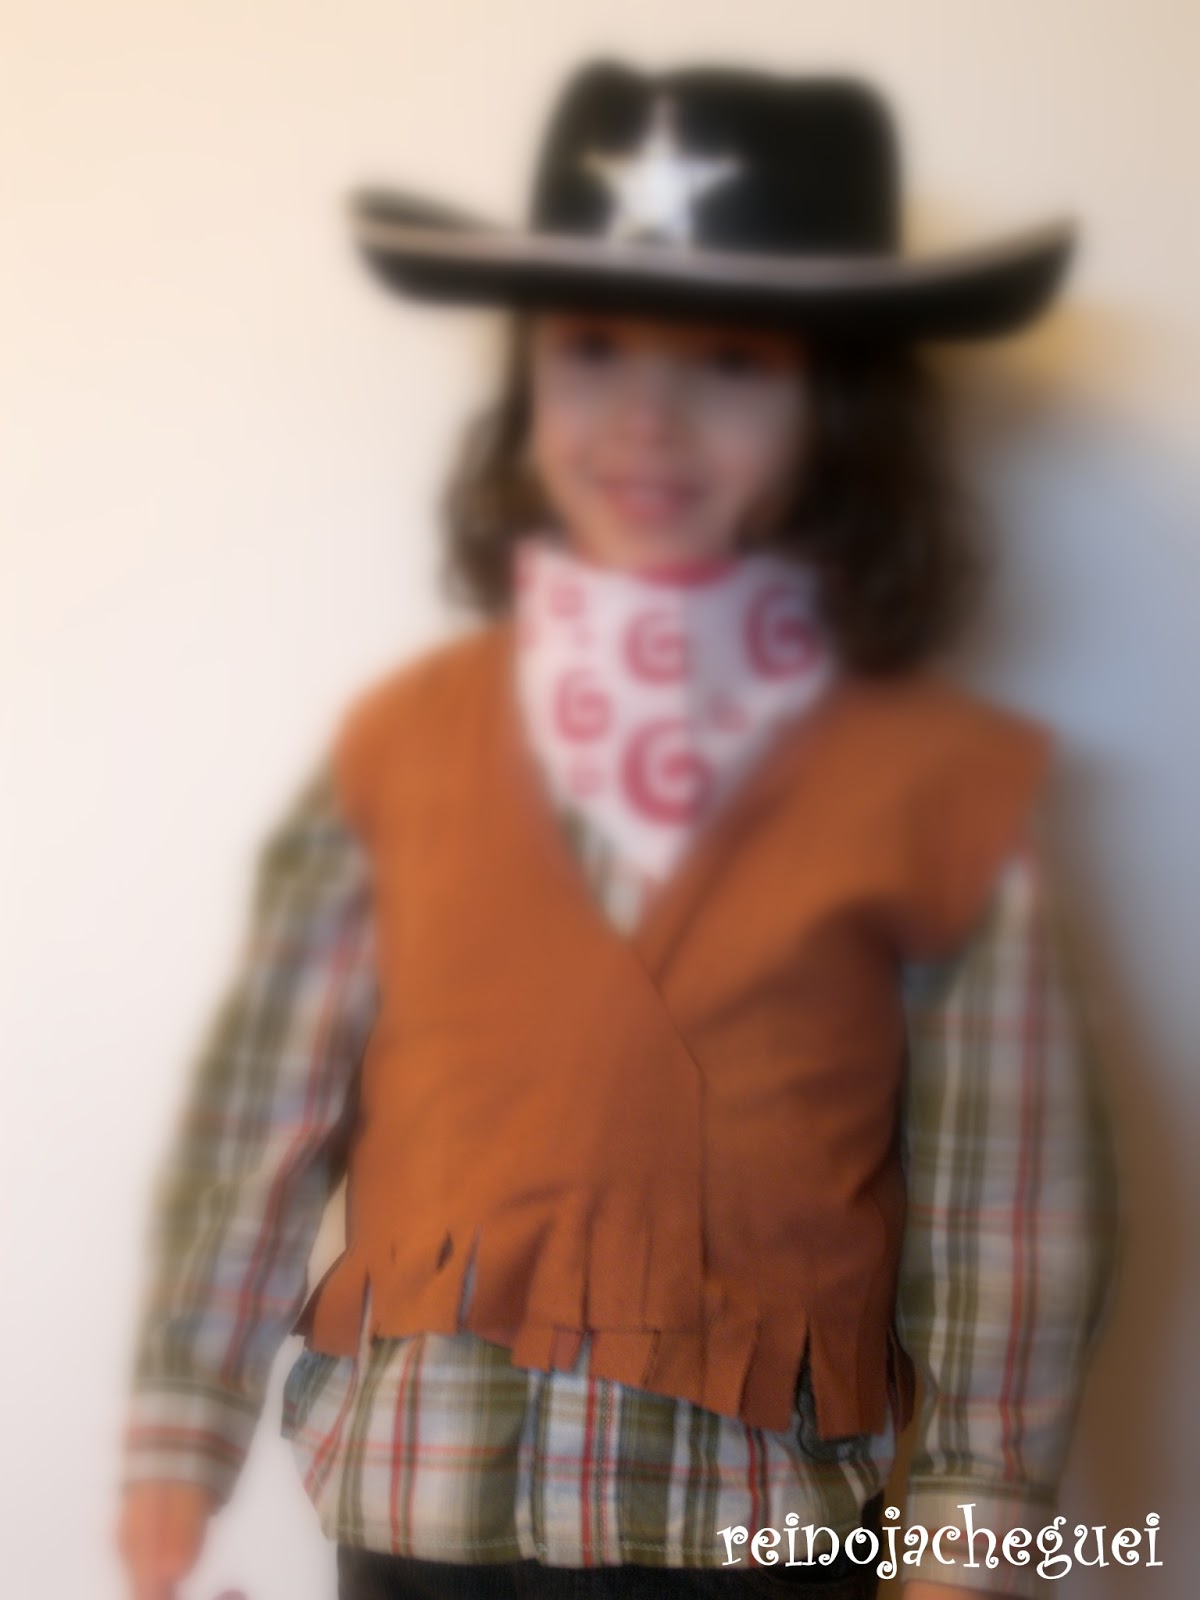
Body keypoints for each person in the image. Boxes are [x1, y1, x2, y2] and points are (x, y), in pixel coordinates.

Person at [115, 60, 1119, 1600]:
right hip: (420, 1510)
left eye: (728, 361)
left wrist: (971, 1516)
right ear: (529, 383)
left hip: (756, 1528)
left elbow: (1007, 1193)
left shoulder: (939, 787)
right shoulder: (403, 747)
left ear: (838, 406)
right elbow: (268, 1099)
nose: (648, 416)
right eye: (592, 350)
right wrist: (181, 1424)